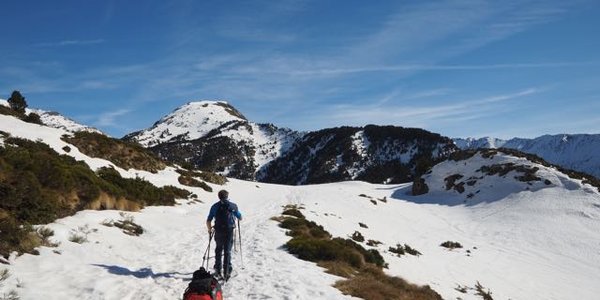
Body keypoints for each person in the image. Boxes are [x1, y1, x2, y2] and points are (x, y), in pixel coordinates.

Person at [206, 189, 242, 280]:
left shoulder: (215, 206)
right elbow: (240, 217)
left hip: (218, 230)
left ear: (219, 196)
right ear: (227, 196)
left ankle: (218, 269)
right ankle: (227, 271)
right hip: (229, 230)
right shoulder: (233, 205)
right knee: (227, 250)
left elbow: (208, 220)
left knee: (218, 249)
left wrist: (209, 230)